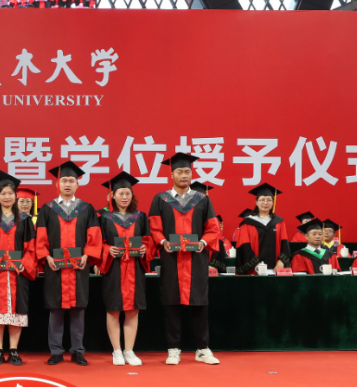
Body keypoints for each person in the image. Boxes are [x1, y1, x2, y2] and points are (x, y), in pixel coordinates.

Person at [148, 153, 221, 365]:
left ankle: (203, 349)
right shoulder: (160, 199)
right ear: (171, 175)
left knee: (200, 303)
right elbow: (154, 228)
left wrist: (203, 242)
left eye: (187, 171)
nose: (184, 175)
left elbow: (213, 228)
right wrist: (163, 242)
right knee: (171, 303)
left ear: (192, 174)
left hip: (196, 259)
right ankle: (173, 349)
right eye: (179, 171)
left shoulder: (202, 199)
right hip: (171, 259)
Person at [36, 160, 102, 365]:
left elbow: (94, 236)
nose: (67, 184)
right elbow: (40, 238)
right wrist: (46, 257)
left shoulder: (86, 209)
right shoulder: (47, 209)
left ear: (77, 184)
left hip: (78, 268)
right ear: (57, 183)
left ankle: (77, 350)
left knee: (78, 310)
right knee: (55, 309)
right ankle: (56, 351)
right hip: (55, 267)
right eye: (64, 180)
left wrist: (87, 255)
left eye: (71, 181)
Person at [0, 172, 37, 366]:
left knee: (16, 312)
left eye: (10, 193)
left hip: (18, 273)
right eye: (3, 193)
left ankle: (13, 350)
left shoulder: (25, 220)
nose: (7, 197)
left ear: (15, 196)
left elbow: (31, 248)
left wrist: (24, 263)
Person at [98, 172, 152, 366]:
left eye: (127, 193)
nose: (124, 197)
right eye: (120, 193)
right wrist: (107, 249)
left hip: (135, 268)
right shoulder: (103, 217)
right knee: (114, 310)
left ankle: (129, 351)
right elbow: (96, 242)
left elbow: (148, 240)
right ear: (112, 195)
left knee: (133, 310)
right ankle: (117, 351)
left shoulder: (140, 217)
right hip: (114, 268)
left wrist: (145, 249)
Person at [234, 185, 291, 275]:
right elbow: (244, 246)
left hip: (275, 270)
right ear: (256, 202)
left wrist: (281, 262)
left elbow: (284, 245)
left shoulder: (279, 222)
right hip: (255, 270)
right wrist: (256, 264)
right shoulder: (248, 223)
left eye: (269, 200)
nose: (265, 203)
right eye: (262, 200)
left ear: (273, 202)